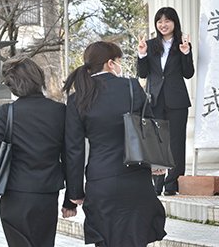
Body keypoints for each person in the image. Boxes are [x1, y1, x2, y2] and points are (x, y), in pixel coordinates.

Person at [63, 41, 167, 247]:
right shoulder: (131, 86)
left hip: (101, 181)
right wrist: (157, 162)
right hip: (136, 178)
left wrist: (74, 192)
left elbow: (73, 150)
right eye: (119, 61)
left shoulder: (78, 99)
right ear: (110, 63)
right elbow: (150, 124)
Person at [0, 56, 72, 246]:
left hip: (15, 193)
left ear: (13, 85)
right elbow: (71, 156)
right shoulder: (60, 110)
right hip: (47, 193)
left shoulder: (7, 112)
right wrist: (71, 198)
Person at [136, 7, 194, 196]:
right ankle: (157, 183)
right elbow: (143, 73)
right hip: (155, 100)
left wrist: (186, 53)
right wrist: (142, 54)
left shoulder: (182, 44)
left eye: (167, 21)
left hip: (177, 100)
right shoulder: (150, 45)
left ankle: (173, 183)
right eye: (159, 21)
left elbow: (188, 73)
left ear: (174, 23)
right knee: (156, 143)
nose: (163, 25)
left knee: (176, 143)